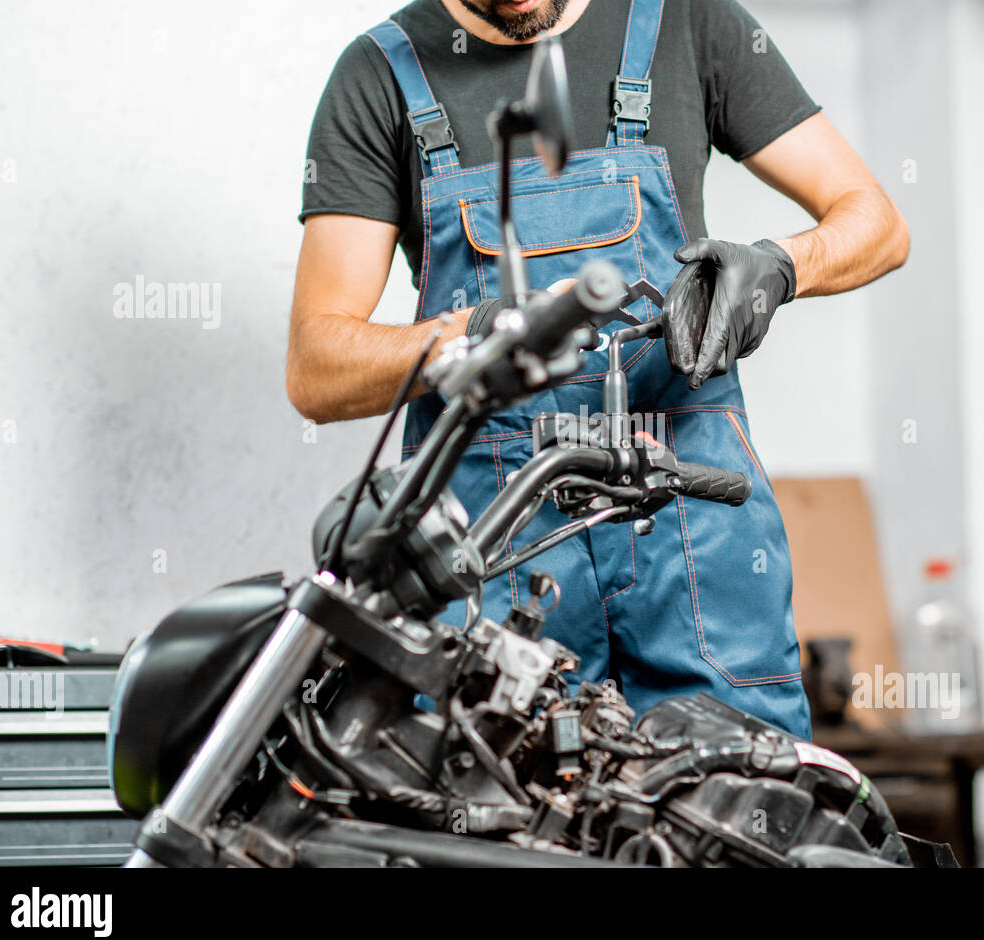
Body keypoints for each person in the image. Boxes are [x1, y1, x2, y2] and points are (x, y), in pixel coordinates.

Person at [288, 0, 909, 739]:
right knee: (501, 825)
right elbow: (317, 368)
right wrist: (471, 334)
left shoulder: (688, 23)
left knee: (743, 812)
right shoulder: (383, 72)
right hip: (492, 555)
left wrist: (779, 267)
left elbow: (877, 223)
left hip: (692, 534)